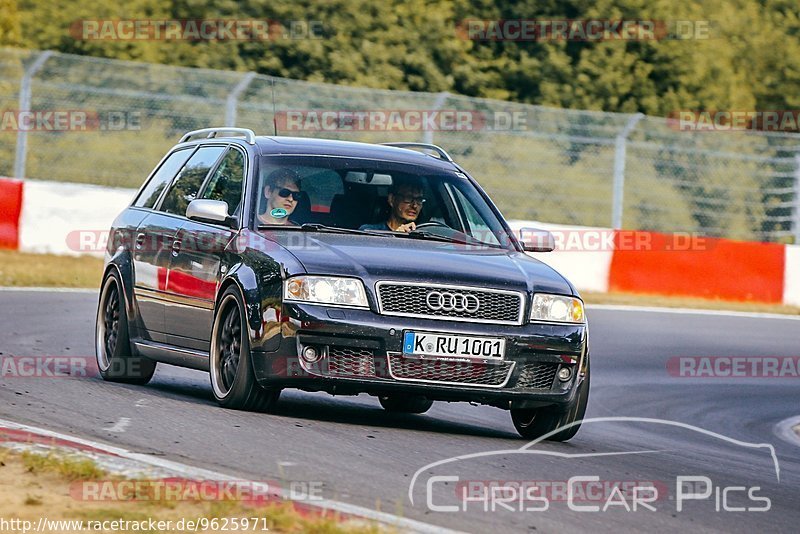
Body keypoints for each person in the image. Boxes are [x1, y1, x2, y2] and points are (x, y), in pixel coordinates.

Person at [360, 178, 425, 232]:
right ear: (392, 199)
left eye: (419, 200)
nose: (414, 205)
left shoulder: (426, 236)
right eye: (408, 198)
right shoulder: (369, 231)